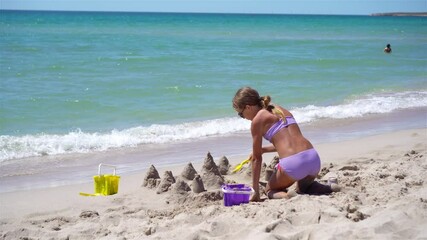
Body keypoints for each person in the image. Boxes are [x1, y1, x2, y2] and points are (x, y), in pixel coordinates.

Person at [232, 87, 335, 201]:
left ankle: (288, 196)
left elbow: (256, 159)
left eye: (241, 114)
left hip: (293, 164)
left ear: (248, 107)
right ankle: (329, 187)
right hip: (313, 158)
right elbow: (289, 143)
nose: (243, 118)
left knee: (270, 190)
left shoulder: (257, 121)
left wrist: (255, 191)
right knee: (304, 188)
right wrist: (264, 149)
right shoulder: (279, 109)